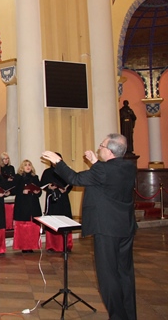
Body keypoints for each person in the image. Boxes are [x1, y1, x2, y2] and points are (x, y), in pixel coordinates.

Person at [42, 133, 137, 320]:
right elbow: (108, 179)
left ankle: (118, 317)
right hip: (125, 226)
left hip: (106, 229)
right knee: (125, 274)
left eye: (102, 145)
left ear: (110, 151)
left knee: (108, 277)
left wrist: (57, 162)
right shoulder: (128, 167)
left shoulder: (102, 170)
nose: (99, 147)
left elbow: (75, 179)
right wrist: (96, 162)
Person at [40, 153, 73, 252]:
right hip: (52, 199)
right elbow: (42, 184)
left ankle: (66, 245)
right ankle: (52, 246)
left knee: (65, 220)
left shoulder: (65, 170)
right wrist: (49, 187)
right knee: (52, 221)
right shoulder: (47, 172)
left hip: (63, 199)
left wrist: (66, 190)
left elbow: (71, 182)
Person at [12, 160, 42, 253]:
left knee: (33, 227)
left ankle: (32, 245)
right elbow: (13, 190)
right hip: (22, 205)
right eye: (25, 165)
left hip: (33, 204)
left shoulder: (35, 177)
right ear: (22, 167)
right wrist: (22, 191)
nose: (28, 167)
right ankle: (24, 246)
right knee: (23, 227)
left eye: (29, 165)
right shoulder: (18, 177)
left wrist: (37, 192)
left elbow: (39, 191)